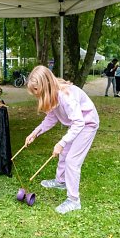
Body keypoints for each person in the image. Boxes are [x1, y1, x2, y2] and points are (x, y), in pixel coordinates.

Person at [24, 66, 99, 214]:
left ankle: (73, 200)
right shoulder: (53, 95)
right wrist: (35, 133)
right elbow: (51, 117)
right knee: (64, 153)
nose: (36, 95)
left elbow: (79, 122)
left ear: (45, 85)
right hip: (77, 124)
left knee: (72, 161)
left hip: (87, 124)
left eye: (37, 90)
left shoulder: (66, 95)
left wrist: (61, 142)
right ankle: (61, 181)